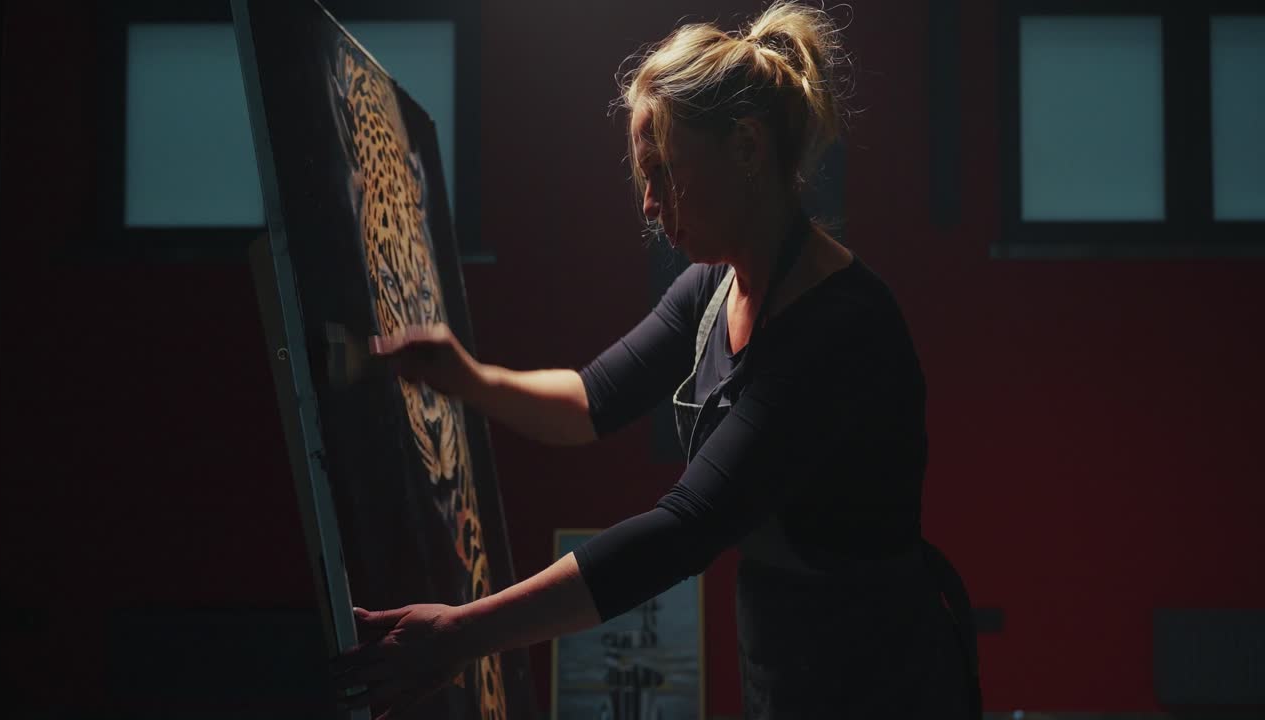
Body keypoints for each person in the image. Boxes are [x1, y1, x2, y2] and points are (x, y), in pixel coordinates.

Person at [330, 2, 980, 718]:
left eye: (663, 172)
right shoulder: (714, 287)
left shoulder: (838, 330)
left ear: (747, 148)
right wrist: (467, 379)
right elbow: (589, 400)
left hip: (885, 684)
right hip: (790, 671)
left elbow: (684, 529)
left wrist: (458, 634)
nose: (647, 203)